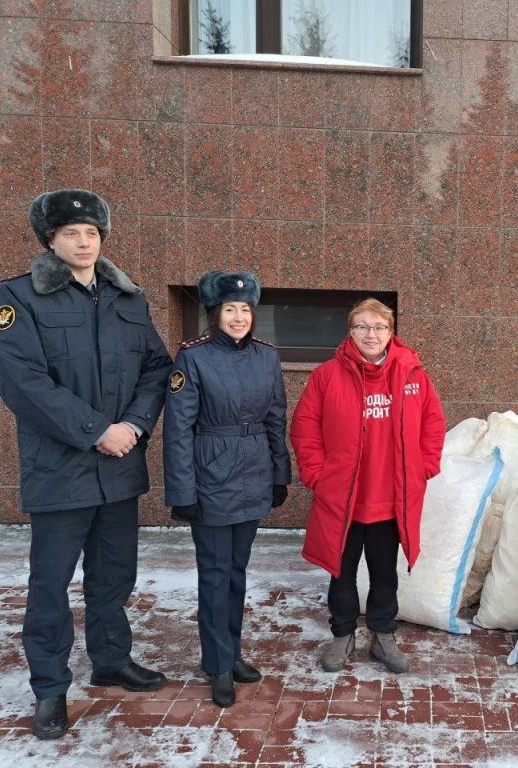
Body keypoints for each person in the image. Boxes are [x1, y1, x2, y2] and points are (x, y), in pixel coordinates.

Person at [0, 189, 173, 740]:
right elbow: (22, 382)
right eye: (72, 233)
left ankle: (111, 660)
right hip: (60, 468)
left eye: (92, 233)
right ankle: (50, 687)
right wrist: (96, 431)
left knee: (114, 575)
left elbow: (157, 368)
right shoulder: (20, 297)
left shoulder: (127, 297)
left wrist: (133, 425)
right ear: (51, 241)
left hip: (119, 468)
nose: (84, 242)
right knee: (50, 584)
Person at [290, 299, 445, 674]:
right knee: (340, 571)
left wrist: (423, 467)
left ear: (391, 332)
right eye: (362, 326)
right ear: (350, 331)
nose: (370, 334)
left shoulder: (412, 374)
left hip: (390, 499)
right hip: (343, 498)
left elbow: (433, 424)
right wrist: (317, 475)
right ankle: (343, 634)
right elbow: (305, 428)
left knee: (384, 573)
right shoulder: (327, 376)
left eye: (379, 327)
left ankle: (383, 635)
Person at [162, 271, 291, 708]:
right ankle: (217, 664)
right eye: (230, 309)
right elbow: (178, 430)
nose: (239, 317)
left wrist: (279, 473)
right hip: (211, 476)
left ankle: (231, 653)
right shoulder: (193, 358)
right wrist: (183, 491)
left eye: (245, 309)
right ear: (214, 313)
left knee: (237, 571)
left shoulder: (266, 356)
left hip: (254, 472)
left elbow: (276, 418)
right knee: (215, 574)